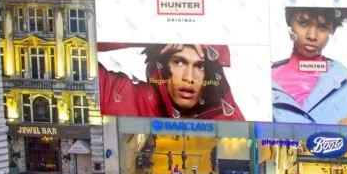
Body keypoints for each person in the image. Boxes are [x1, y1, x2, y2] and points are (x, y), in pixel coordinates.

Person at [99, 43, 245, 120]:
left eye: (200, 66)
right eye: (179, 62)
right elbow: (85, 42)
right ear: (161, 66)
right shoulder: (122, 95)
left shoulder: (223, 116)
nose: (189, 77)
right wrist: (156, 35)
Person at [271, 7, 347, 124]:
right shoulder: (266, 78)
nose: (312, 36)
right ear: (289, 21)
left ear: (331, 30)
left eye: (322, 27)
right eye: (303, 23)